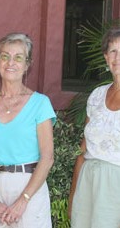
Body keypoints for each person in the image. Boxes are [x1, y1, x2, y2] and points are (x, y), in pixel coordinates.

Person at [0, 33, 56, 228]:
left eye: (18, 57)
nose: (10, 63)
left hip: (29, 186)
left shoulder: (40, 104)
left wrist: (23, 199)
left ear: (27, 65)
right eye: (5, 56)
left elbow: (47, 157)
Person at [69, 28, 120, 228]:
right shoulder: (97, 95)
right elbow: (83, 150)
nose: (117, 57)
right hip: (87, 179)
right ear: (106, 57)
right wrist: (74, 193)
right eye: (113, 51)